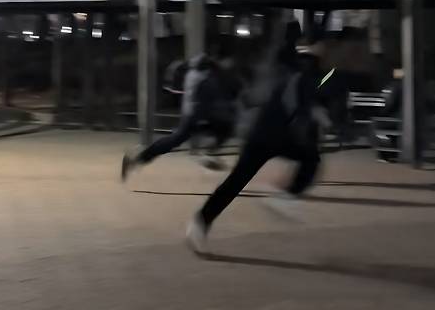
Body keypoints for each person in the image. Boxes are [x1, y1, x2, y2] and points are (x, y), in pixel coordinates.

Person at [186, 23, 329, 254]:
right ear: (319, 45)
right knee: (311, 159)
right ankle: (284, 197)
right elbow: (297, 96)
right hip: (278, 132)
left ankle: (200, 222)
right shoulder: (306, 66)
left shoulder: (289, 61)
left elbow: (285, 92)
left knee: (236, 181)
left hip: (262, 131)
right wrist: (310, 115)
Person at [121, 53, 235, 181]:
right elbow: (203, 99)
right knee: (222, 128)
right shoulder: (207, 76)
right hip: (196, 115)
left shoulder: (201, 71)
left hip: (196, 113)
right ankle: (137, 158)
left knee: (177, 139)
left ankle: (138, 159)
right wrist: (201, 117)